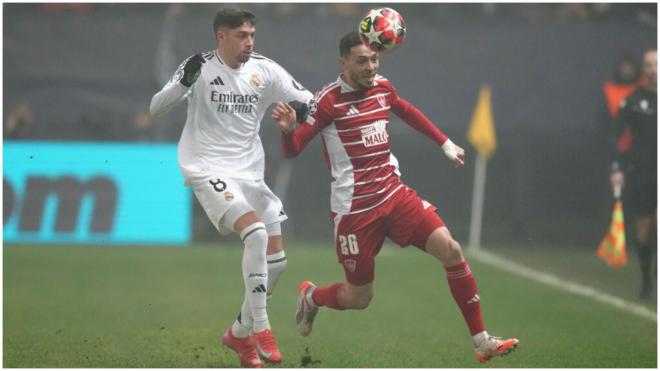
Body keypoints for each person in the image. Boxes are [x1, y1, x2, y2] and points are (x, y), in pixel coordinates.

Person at [271, 31, 519, 363]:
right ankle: (312, 297)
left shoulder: (383, 87)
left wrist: (445, 144)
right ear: (342, 62)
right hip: (354, 211)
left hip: (394, 194)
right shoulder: (328, 101)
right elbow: (293, 150)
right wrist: (288, 132)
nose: (370, 67)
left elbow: (407, 111)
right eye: (361, 61)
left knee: (451, 249)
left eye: (374, 59)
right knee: (359, 298)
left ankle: (482, 341)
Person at [150, 8, 313, 367]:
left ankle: (238, 334)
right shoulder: (199, 66)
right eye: (241, 35)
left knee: (278, 263)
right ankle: (261, 328)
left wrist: (295, 119)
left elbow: (309, 103)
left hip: (250, 175)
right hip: (207, 167)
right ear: (220, 36)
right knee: (255, 234)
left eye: (252, 34)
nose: (249, 42)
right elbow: (156, 107)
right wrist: (181, 84)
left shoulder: (264, 69)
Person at [610, 49, 657, 300]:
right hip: (642, 171)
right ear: (643, 69)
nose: (652, 69)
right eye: (648, 64)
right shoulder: (633, 100)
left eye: (656, 64)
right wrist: (617, 167)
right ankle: (646, 280)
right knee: (644, 229)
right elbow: (618, 136)